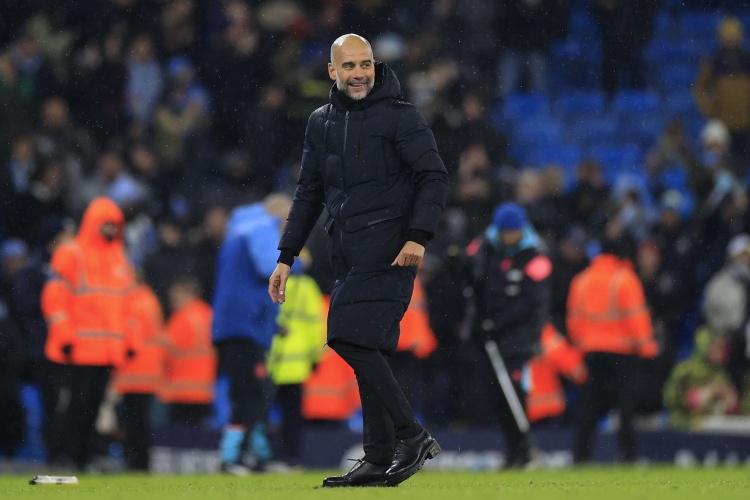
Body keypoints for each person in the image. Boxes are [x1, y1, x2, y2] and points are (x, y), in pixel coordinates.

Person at [268, 34, 449, 487]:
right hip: (347, 250)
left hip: (392, 249)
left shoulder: (401, 116)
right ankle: (378, 455)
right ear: (332, 71)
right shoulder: (320, 122)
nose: (359, 74)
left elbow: (434, 177)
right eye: (349, 66)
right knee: (370, 347)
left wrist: (418, 237)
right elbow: (309, 193)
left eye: (365, 64)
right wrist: (286, 256)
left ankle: (411, 435)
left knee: (345, 336)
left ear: (375, 66)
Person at [41, 197, 141, 470]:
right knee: (76, 405)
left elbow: (130, 306)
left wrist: (131, 341)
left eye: (114, 225)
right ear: (92, 223)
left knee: (93, 407)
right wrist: (64, 336)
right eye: (106, 224)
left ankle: (82, 456)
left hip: (106, 351)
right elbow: (55, 298)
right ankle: (66, 454)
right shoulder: (72, 254)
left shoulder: (120, 259)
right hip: (78, 348)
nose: (110, 230)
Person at [462, 201, 553, 468]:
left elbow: (534, 303)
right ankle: (514, 451)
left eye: (513, 231)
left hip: (518, 338)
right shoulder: (485, 248)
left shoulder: (535, 257)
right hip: (489, 336)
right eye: (505, 231)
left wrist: (500, 323)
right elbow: (474, 282)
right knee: (497, 396)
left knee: (514, 393)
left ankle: (523, 449)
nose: (508, 236)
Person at [212, 193, 293, 474]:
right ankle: (230, 457)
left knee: (256, 393)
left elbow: (244, 282)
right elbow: (269, 268)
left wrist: (272, 325)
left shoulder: (242, 230)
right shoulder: (260, 229)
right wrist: (296, 262)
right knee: (250, 393)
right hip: (243, 328)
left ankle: (257, 455)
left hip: (240, 326)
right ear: (281, 217)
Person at [566, 233, 657, 463]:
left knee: (589, 406)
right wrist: (647, 348)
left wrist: (582, 344)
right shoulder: (625, 279)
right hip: (623, 352)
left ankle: (581, 455)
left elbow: (574, 320)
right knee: (625, 407)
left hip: (591, 352)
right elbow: (636, 317)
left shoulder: (581, 280)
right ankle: (628, 454)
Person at [267, 270, 326, 468]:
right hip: (296, 362)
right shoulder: (305, 285)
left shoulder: (269, 280)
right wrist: (316, 356)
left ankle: (264, 456)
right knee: (292, 414)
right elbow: (315, 323)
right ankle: (291, 458)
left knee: (262, 412)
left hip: (271, 358)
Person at [110, 271, 165, 471]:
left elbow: (131, 338)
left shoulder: (135, 302)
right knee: (139, 421)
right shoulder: (150, 299)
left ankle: (136, 462)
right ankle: (140, 462)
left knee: (133, 422)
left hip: (134, 372)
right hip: (146, 371)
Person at [159, 275, 215, 428]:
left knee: (179, 433)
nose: (172, 302)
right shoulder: (208, 314)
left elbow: (165, 350)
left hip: (181, 389)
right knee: (198, 433)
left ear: (189, 294)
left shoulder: (181, 317)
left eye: (176, 297)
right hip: (205, 388)